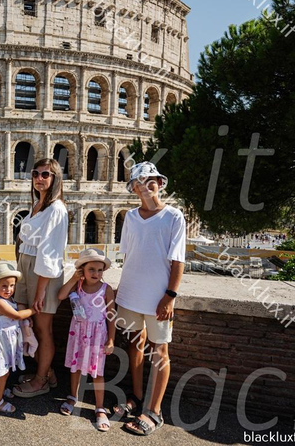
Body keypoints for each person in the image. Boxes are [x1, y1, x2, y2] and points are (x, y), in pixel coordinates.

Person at [113, 162, 186, 436]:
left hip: (159, 297)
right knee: (134, 345)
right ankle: (137, 396)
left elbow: (178, 260)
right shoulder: (130, 217)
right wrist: (120, 292)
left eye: (150, 179)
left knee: (160, 351)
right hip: (131, 293)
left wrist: (170, 296)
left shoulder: (174, 217)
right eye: (139, 182)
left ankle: (154, 411)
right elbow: (129, 257)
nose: (145, 185)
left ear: (159, 182)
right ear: (133, 188)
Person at [13, 158, 68, 398]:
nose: (39, 178)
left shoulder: (56, 209)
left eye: (46, 174)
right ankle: (46, 372)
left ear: (55, 178)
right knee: (30, 325)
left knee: (43, 329)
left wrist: (41, 290)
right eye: (36, 173)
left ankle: (41, 380)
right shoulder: (38, 204)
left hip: (42, 273)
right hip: (27, 267)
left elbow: (50, 251)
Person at [56, 248, 115, 431]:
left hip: (98, 336)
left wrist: (111, 340)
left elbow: (112, 316)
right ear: (82, 269)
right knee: (76, 367)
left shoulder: (107, 290)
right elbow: (60, 295)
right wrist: (74, 278)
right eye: (91, 269)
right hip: (78, 333)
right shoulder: (78, 285)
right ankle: (73, 396)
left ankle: (99, 407)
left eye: (99, 270)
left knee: (97, 372)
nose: (96, 274)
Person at [0, 263, 37, 414]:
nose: (8, 290)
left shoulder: (9, 300)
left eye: (12, 286)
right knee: (3, 372)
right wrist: (32, 311)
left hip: (7, 341)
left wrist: (25, 319)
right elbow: (16, 315)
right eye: (4, 286)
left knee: (6, 369)